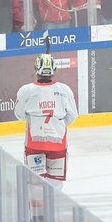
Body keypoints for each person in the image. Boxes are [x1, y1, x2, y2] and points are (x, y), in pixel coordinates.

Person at [14, 53, 78, 189]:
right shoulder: (65, 90)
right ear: (54, 70)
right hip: (58, 144)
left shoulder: (26, 90)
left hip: (34, 144)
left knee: (35, 184)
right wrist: (57, 124)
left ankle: (37, 209)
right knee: (55, 184)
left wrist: (34, 120)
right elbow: (72, 116)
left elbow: (19, 115)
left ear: (36, 68)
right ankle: (53, 209)